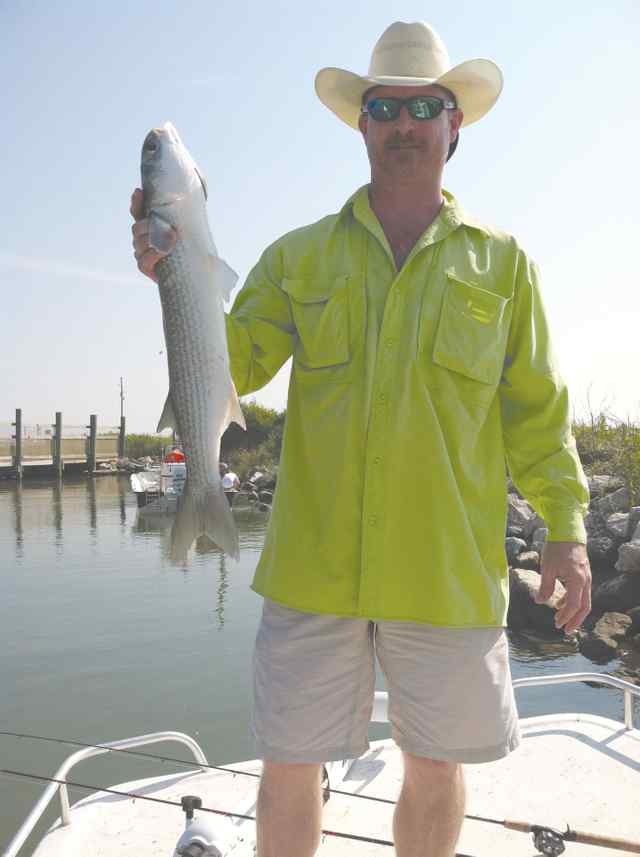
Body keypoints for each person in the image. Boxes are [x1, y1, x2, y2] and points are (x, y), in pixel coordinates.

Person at [131, 21, 591, 857]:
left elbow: (537, 411)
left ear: (456, 124)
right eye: (385, 105)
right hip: (314, 566)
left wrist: (565, 527)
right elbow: (229, 364)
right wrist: (174, 273)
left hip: (447, 568)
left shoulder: (506, 265)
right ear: (362, 123)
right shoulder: (298, 258)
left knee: (437, 769)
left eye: (425, 107)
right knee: (288, 767)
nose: (404, 123)